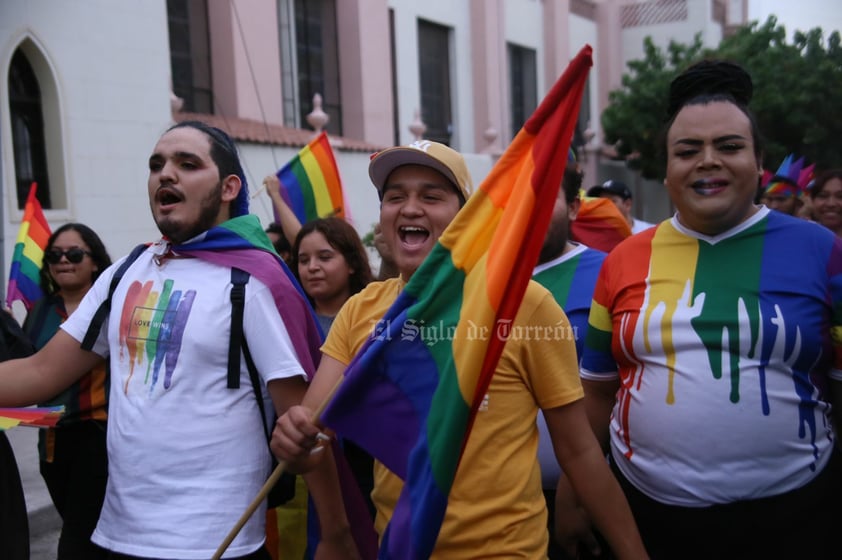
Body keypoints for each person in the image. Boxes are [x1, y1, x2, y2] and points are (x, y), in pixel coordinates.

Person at [272, 140, 648, 558]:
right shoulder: (360, 312)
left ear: (466, 218)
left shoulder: (525, 304)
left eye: (431, 196)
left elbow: (579, 451)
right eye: (396, 197)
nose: (410, 208)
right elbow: (313, 430)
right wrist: (295, 442)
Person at [0, 120, 355, 559]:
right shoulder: (126, 271)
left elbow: (303, 424)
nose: (166, 173)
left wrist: (336, 536)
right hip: (115, 538)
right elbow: (40, 372)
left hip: (219, 544)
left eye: (187, 164)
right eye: (157, 165)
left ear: (228, 188)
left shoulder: (255, 281)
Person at [557, 60, 842, 559]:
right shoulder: (621, 260)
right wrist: (572, 493)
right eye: (687, 151)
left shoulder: (825, 252)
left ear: (759, 163)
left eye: (729, 146)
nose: (707, 161)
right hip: (648, 519)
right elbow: (597, 393)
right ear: (666, 171)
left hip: (800, 518)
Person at [22, 223, 112, 559]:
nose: (64, 261)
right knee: (83, 530)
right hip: (50, 441)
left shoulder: (112, 308)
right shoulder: (39, 311)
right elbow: (25, 367)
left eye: (74, 254)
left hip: (98, 435)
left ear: (95, 262)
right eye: (55, 255)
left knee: (76, 539)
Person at [532, 159, 608, 559]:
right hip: (498, 502)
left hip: (583, 498)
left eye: (545, 199)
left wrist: (578, 495)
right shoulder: (479, 278)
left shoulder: (609, 274)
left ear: (575, 207)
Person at [292, 217, 373, 334]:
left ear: (352, 263)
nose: (312, 267)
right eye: (304, 260)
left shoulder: (378, 317)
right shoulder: (291, 325)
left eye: (324, 257)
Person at [586, 180, 654, 234]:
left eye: (612, 201)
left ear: (627, 204)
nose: (605, 205)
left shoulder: (649, 231)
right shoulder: (595, 234)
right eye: (601, 201)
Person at [808, 169, 842, 236]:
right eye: (823, 196)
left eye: (840, 196)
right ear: (812, 201)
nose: (831, 204)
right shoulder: (799, 237)